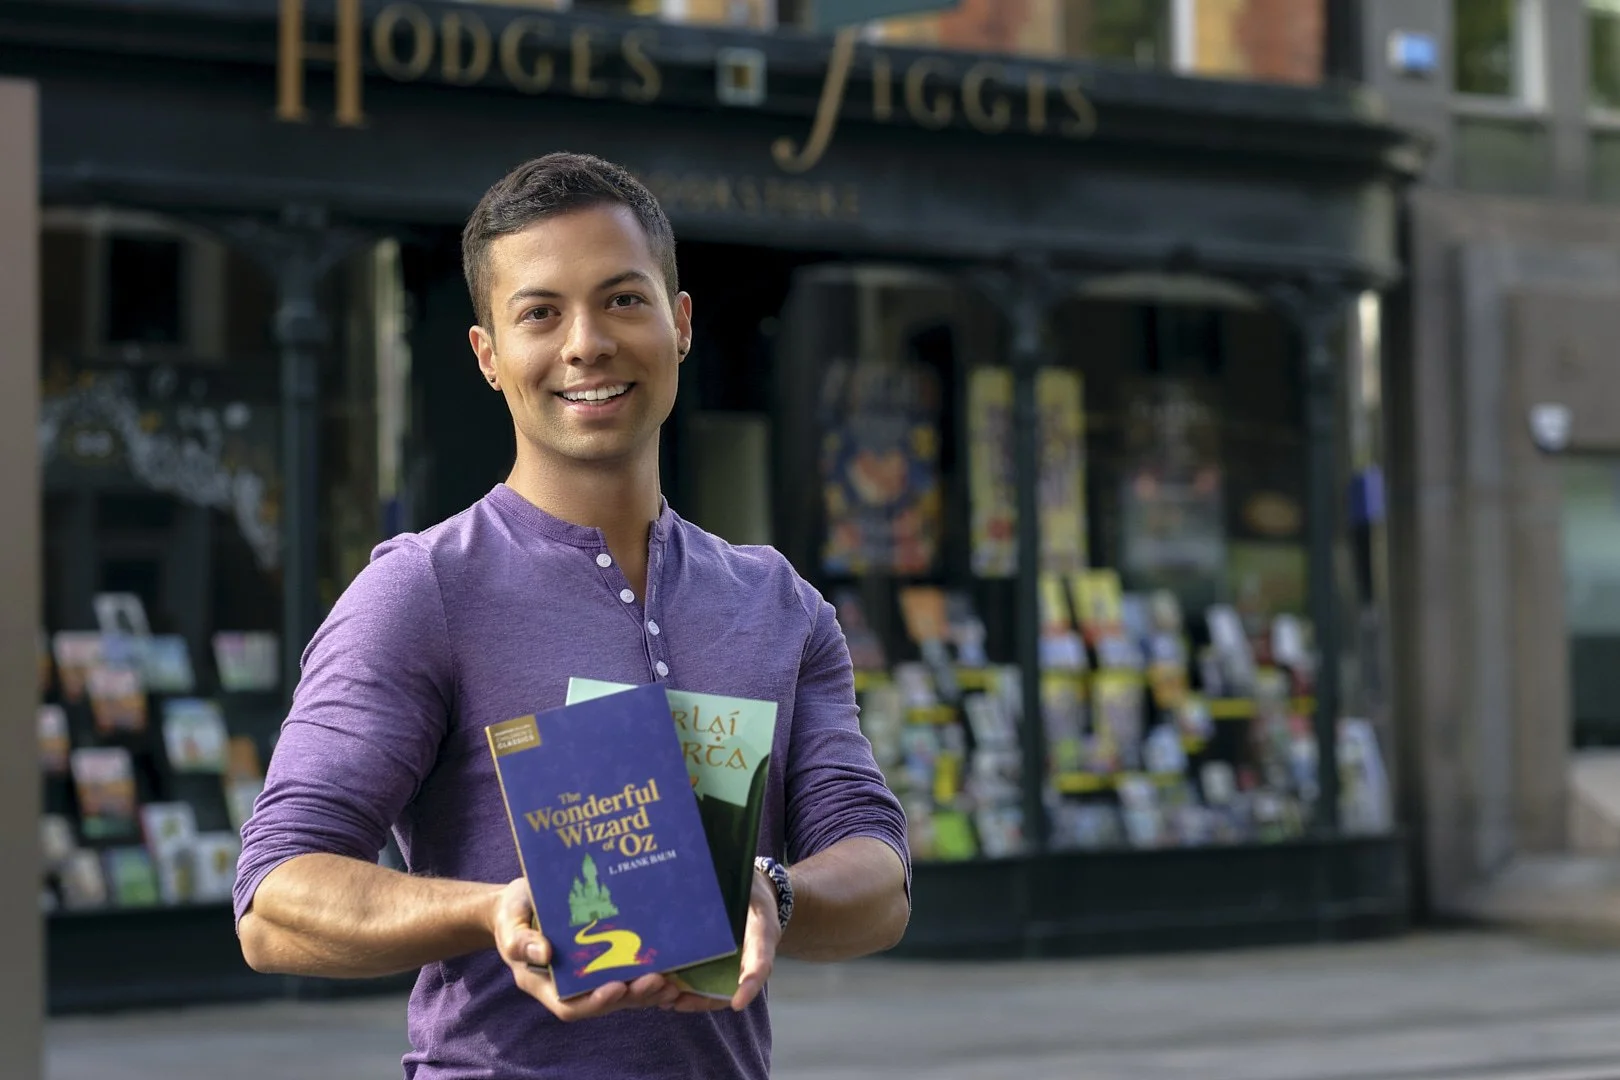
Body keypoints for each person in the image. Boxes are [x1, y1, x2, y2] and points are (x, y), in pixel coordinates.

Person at [232, 152, 912, 1079]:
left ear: (679, 326)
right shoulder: (422, 590)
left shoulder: (778, 604)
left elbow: (879, 882)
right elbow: (272, 900)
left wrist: (770, 893)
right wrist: (489, 913)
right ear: (488, 356)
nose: (585, 343)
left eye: (623, 300)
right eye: (540, 313)